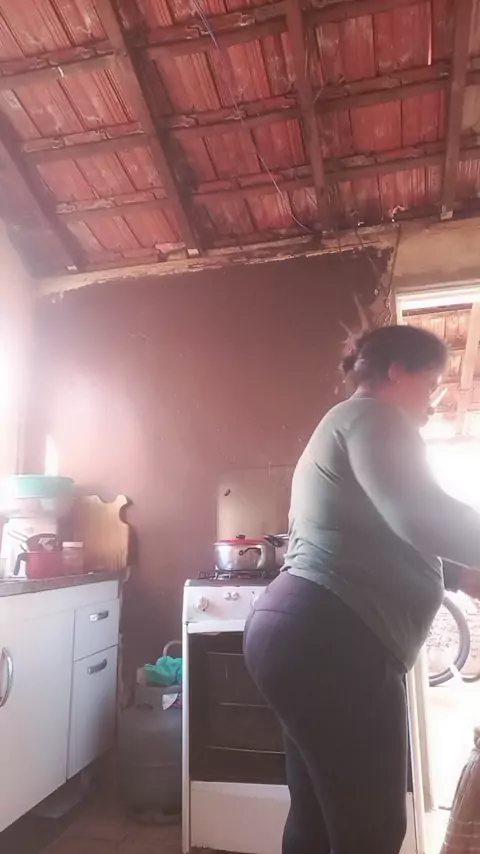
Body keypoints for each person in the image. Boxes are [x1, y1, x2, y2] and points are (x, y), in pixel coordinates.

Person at [243, 324, 480, 854]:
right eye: (431, 384)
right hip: (333, 642)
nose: (434, 402)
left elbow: (375, 535)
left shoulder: (345, 423)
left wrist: (460, 574)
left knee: (317, 821)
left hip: (300, 634)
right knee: (371, 832)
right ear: (397, 371)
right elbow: (423, 515)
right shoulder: (376, 417)